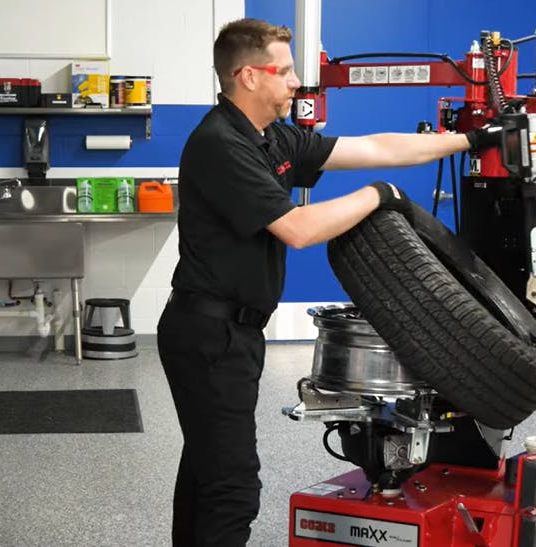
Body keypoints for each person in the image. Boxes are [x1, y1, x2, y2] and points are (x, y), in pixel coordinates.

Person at [156, 17, 501, 546]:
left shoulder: (271, 138)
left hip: (234, 334)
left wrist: (471, 139)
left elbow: (376, 147)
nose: (296, 83)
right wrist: (380, 195)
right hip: (208, 336)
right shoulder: (221, 143)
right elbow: (297, 229)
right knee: (232, 489)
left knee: (206, 475)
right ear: (248, 76)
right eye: (286, 71)